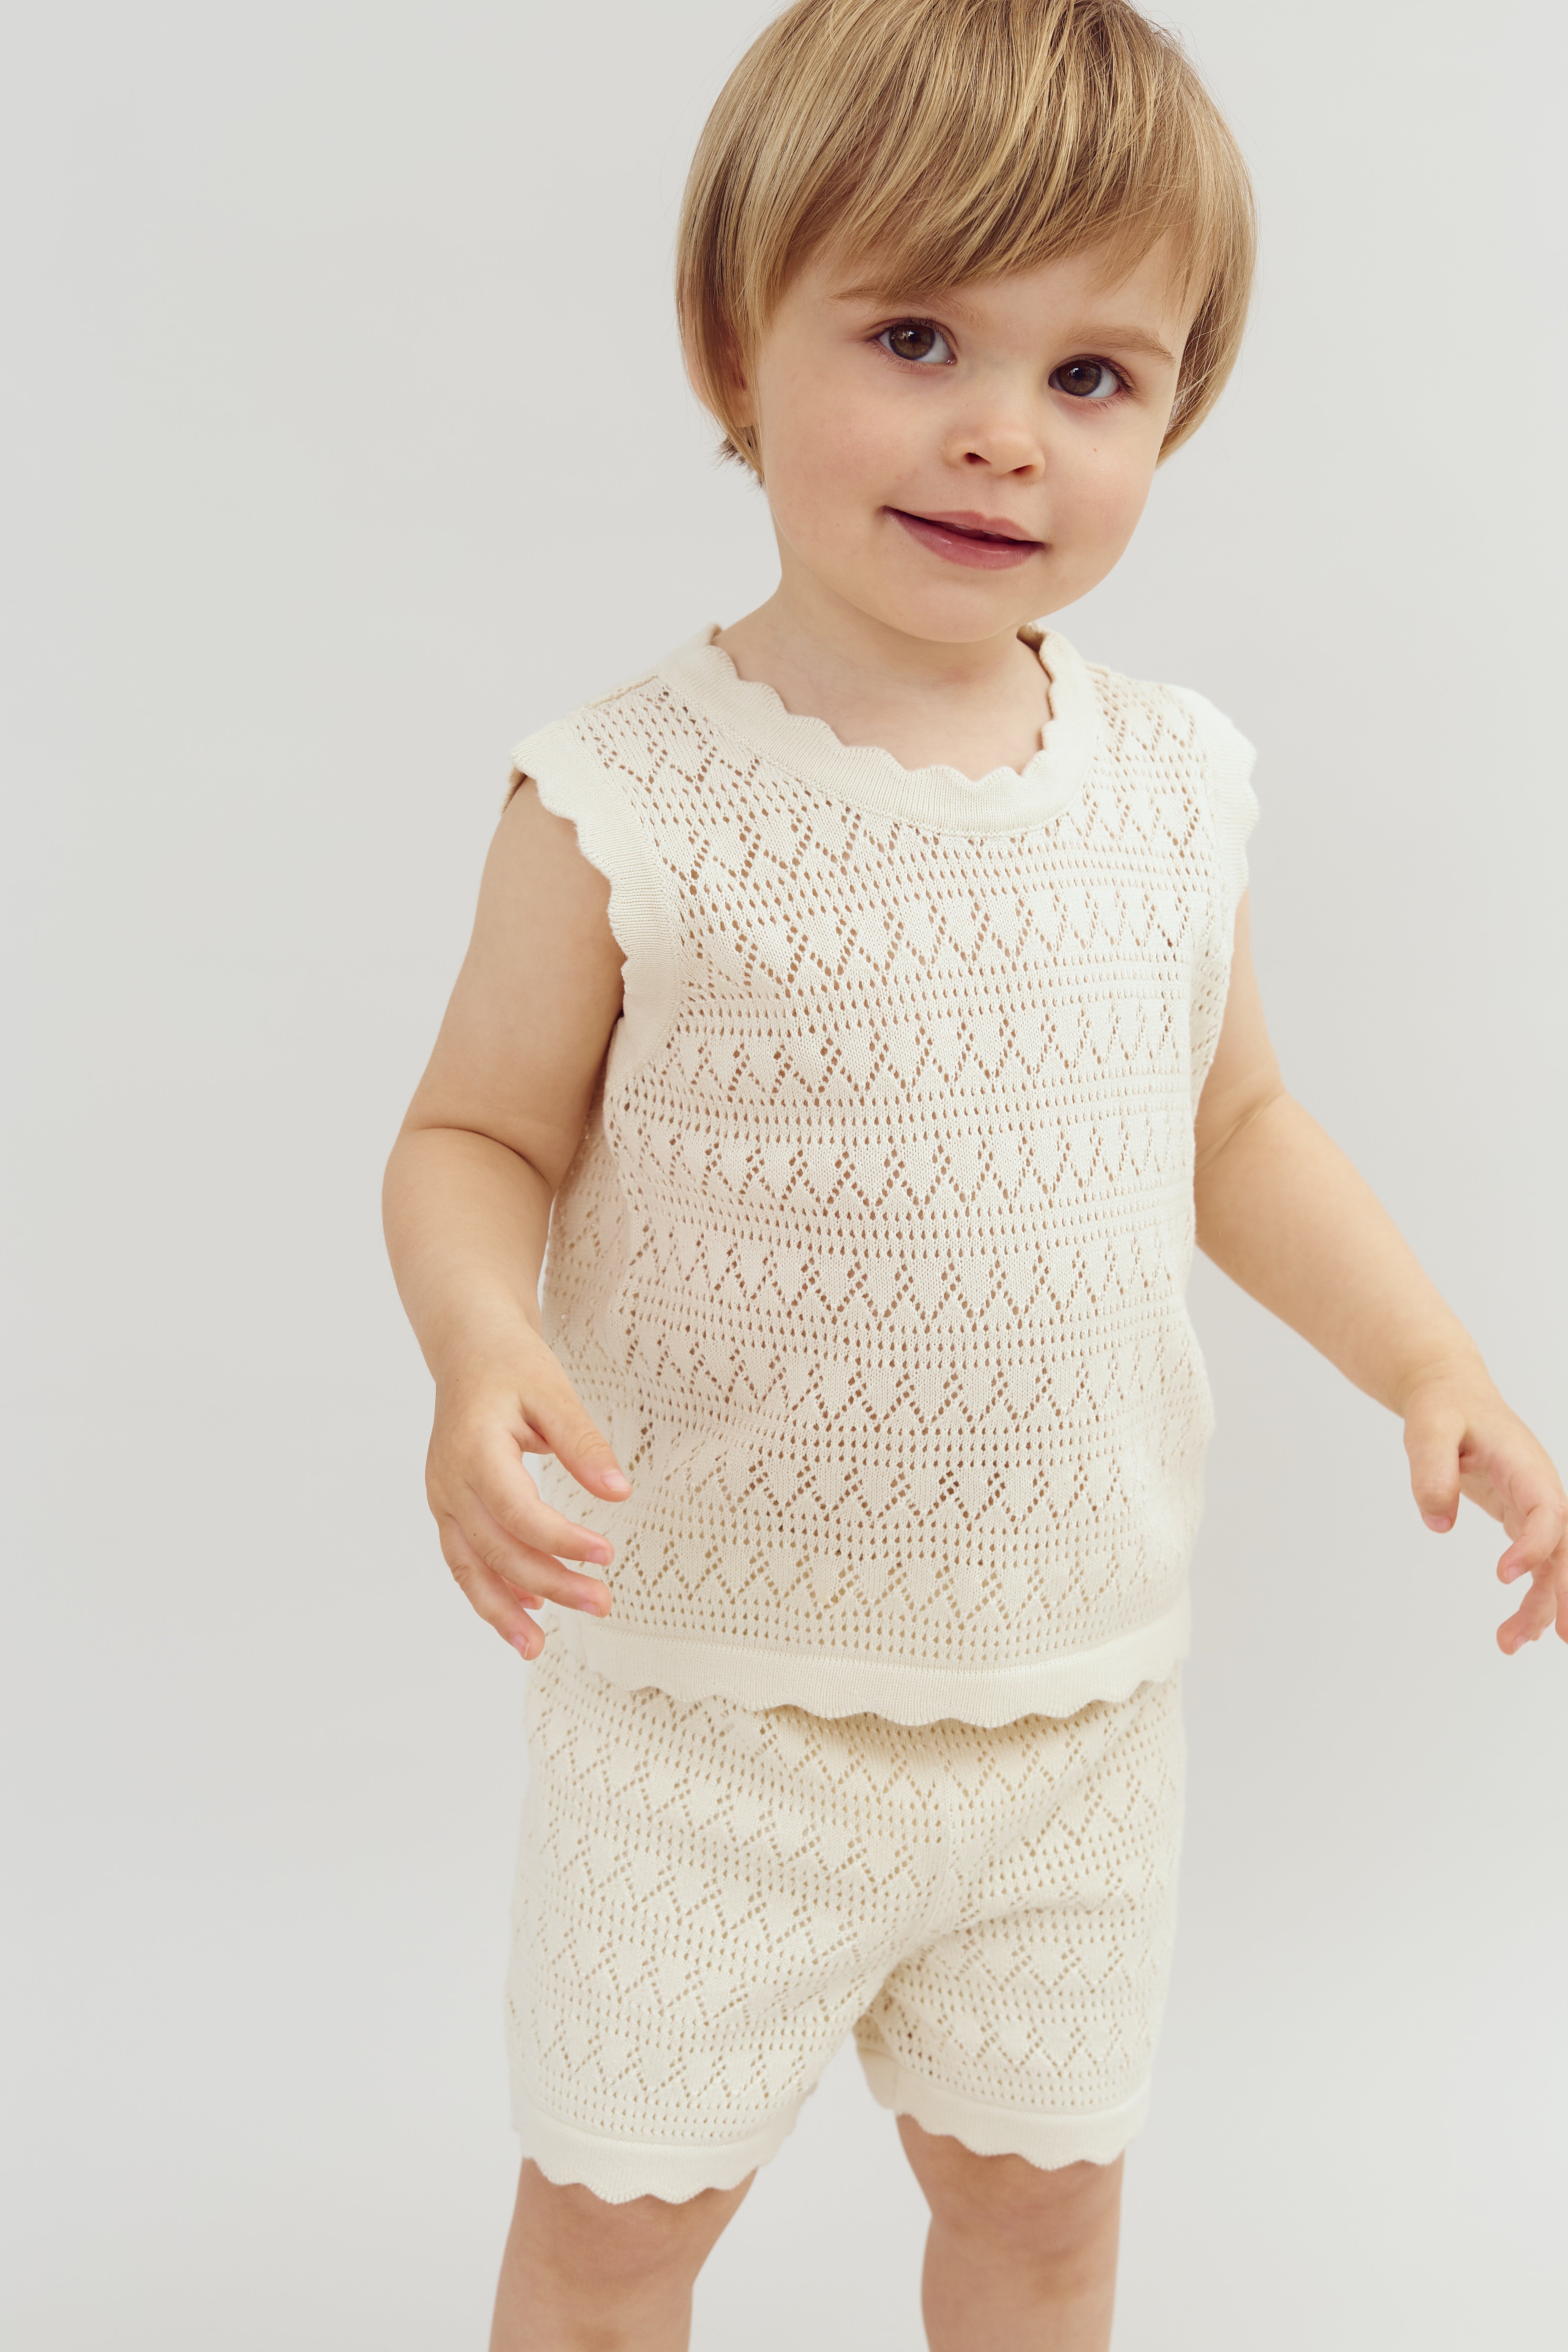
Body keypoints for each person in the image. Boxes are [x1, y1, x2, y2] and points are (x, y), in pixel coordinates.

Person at [381, 2, 1568, 2344]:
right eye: (918, 334)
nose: (999, 434)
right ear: (739, 330)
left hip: (1075, 1717)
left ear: (1174, 415)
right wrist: (483, 1337)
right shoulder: (628, 794)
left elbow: (1231, 1123)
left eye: (1094, 378)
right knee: (615, 2241)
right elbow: (473, 1133)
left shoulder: (1172, 782)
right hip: (706, 1720)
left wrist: (1430, 1356)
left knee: (1037, 2225)